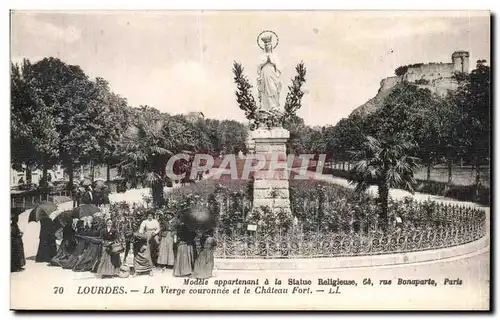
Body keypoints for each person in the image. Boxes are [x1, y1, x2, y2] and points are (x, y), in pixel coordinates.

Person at [257, 34, 282, 111]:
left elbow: (278, 66)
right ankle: (264, 106)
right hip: (264, 73)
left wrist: (272, 61)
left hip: (272, 73)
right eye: (266, 45)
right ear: (264, 46)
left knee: (272, 88)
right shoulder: (262, 55)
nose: (268, 46)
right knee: (265, 89)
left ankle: (273, 105)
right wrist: (265, 62)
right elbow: (259, 66)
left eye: (269, 44)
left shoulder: (274, 55)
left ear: (271, 45)